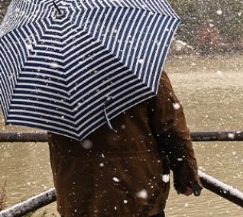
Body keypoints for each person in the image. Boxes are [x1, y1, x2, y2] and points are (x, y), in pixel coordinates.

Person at [47, 71, 201, 217]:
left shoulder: (55, 76)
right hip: (136, 192)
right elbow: (171, 128)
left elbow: (55, 137)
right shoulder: (143, 70)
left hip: (78, 195)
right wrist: (186, 176)